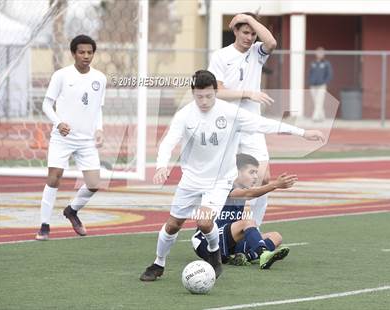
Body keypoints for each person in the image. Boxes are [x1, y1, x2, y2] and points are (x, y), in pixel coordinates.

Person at [139, 70, 324, 281]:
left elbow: (266, 124)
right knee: (172, 225)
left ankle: (215, 254)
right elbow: (168, 142)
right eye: (199, 96)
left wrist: (303, 133)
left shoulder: (230, 113)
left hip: (219, 181)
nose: (204, 101)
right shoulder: (184, 115)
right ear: (193, 93)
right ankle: (158, 263)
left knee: (204, 222)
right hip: (190, 179)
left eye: (209, 96)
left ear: (215, 92)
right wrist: (162, 165)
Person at [208, 12, 277, 228]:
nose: (249, 38)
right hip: (227, 126)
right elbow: (216, 92)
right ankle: (219, 230)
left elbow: (272, 42)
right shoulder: (221, 56)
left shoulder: (257, 52)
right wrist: (247, 93)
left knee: (264, 179)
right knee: (227, 180)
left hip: (252, 126)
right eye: (245, 32)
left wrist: (247, 17)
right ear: (235, 31)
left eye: (253, 34)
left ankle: (252, 232)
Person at [35, 35, 107, 241]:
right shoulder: (61, 75)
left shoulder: (100, 78)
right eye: (81, 52)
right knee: (54, 177)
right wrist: (59, 123)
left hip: (87, 140)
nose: (86, 56)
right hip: (62, 138)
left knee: (94, 184)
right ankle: (44, 226)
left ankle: (72, 210)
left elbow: (98, 108)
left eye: (90, 52)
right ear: (73, 53)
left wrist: (99, 129)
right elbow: (46, 105)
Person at [192, 153, 295, 269]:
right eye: (252, 172)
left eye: (256, 172)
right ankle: (263, 254)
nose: (256, 177)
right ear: (236, 173)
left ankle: (245, 257)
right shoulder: (223, 187)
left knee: (276, 236)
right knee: (247, 222)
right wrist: (275, 185)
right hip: (206, 242)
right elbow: (249, 194)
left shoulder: (242, 194)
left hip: (229, 241)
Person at [309, 47, 333, 122]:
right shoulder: (313, 63)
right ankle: (322, 117)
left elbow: (329, 74)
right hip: (313, 86)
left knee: (319, 101)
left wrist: (324, 82)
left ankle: (315, 117)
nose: (319, 54)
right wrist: (310, 81)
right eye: (318, 52)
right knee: (316, 102)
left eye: (321, 52)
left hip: (321, 86)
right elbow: (310, 73)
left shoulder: (326, 63)